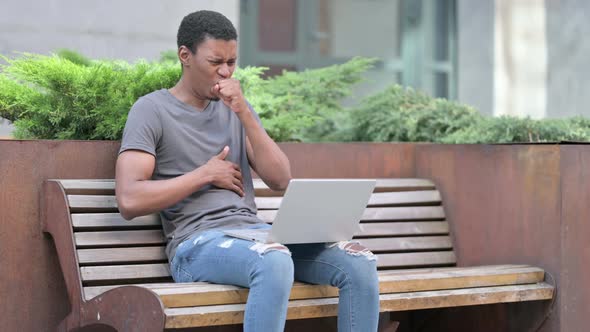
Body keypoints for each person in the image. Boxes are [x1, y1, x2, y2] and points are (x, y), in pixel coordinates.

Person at [115, 10, 379, 332]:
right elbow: (129, 199)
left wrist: (245, 114)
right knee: (273, 259)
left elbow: (280, 179)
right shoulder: (151, 110)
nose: (226, 73)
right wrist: (205, 174)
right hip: (195, 245)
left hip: (255, 236)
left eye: (232, 62)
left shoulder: (236, 109)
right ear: (185, 55)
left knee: (359, 262)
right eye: (215, 62)